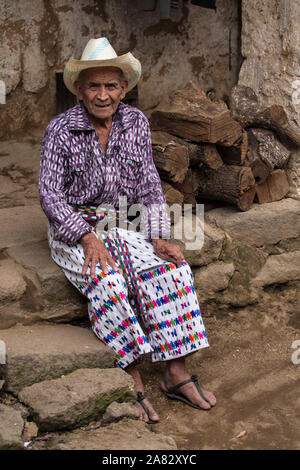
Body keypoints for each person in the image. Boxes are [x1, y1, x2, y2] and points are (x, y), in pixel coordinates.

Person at [39, 37, 216, 424]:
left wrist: (157, 236)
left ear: (123, 89)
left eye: (111, 86)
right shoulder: (61, 129)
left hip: (121, 220)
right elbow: (50, 195)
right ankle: (132, 375)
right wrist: (87, 237)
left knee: (171, 270)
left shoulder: (135, 122)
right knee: (109, 283)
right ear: (80, 90)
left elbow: (149, 185)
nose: (103, 95)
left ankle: (175, 372)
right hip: (74, 225)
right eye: (94, 86)